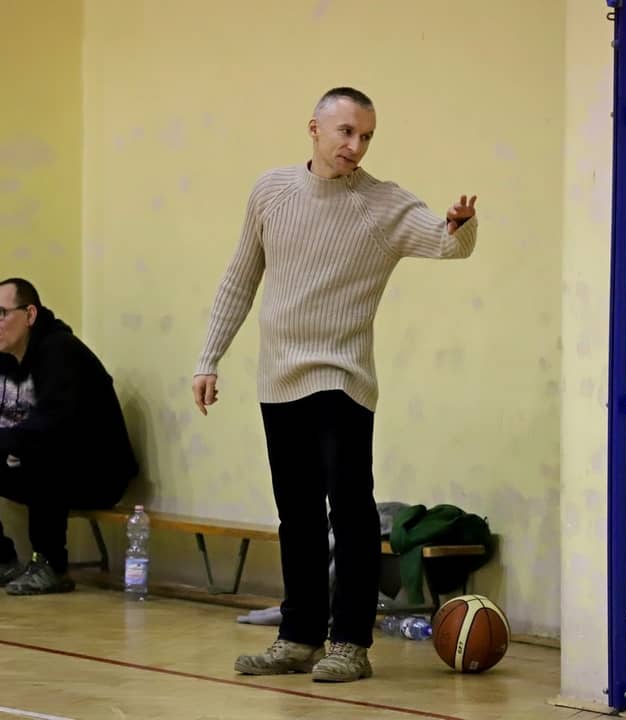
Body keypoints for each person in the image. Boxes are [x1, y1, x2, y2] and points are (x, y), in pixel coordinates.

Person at [191, 87, 479, 682]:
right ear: (314, 129)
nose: (356, 145)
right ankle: (297, 638)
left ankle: (349, 643)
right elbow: (240, 278)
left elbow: (448, 242)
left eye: (366, 136)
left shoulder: (382, 204)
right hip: (279, 379)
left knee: (349, 512)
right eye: (346, 131)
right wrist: (208, 358)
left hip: (342, 377)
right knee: (295, 515)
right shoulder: (271, 191)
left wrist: (461, 224)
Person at [0, 278, 138, 595]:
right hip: (40, 465)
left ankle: (51, 565)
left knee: (41, 451)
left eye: (0, 313)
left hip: (95, 472)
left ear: (29, 314)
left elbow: (51, 426)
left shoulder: (62, 352)